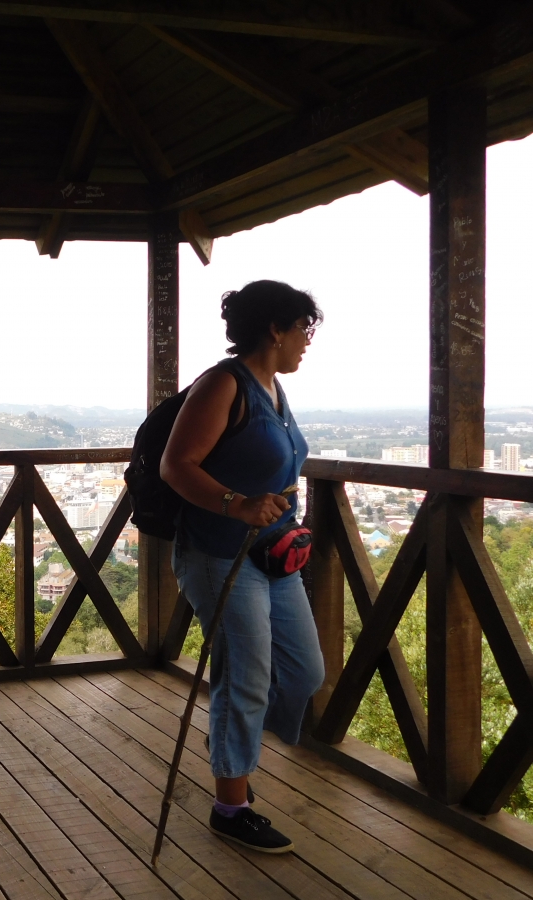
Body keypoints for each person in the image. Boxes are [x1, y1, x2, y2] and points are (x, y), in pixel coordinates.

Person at [160, 280, 325, 854]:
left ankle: (238, 752)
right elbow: (176, 465)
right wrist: (237, 503)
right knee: (246, 676)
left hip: (271, 555)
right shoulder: (223, 384)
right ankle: (232, 803)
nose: (308, 340)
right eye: (304, 327)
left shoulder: (274, 389)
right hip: (218, 555)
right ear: (274, 329)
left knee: (305, 671)